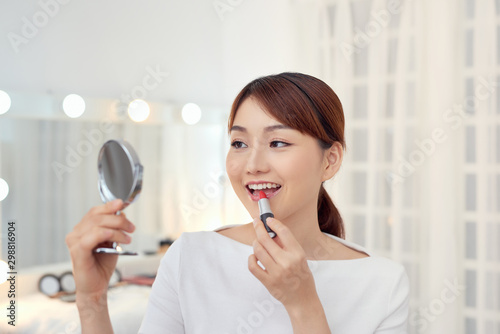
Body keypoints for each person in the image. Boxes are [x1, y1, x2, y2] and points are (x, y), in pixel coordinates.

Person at [66, 72, 409, 334]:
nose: (252, 165)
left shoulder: (382, 283)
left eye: (277, 143)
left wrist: (304, 305)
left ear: (330, 160)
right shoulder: (190, 256)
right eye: (239, 143)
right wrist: (92, 299)